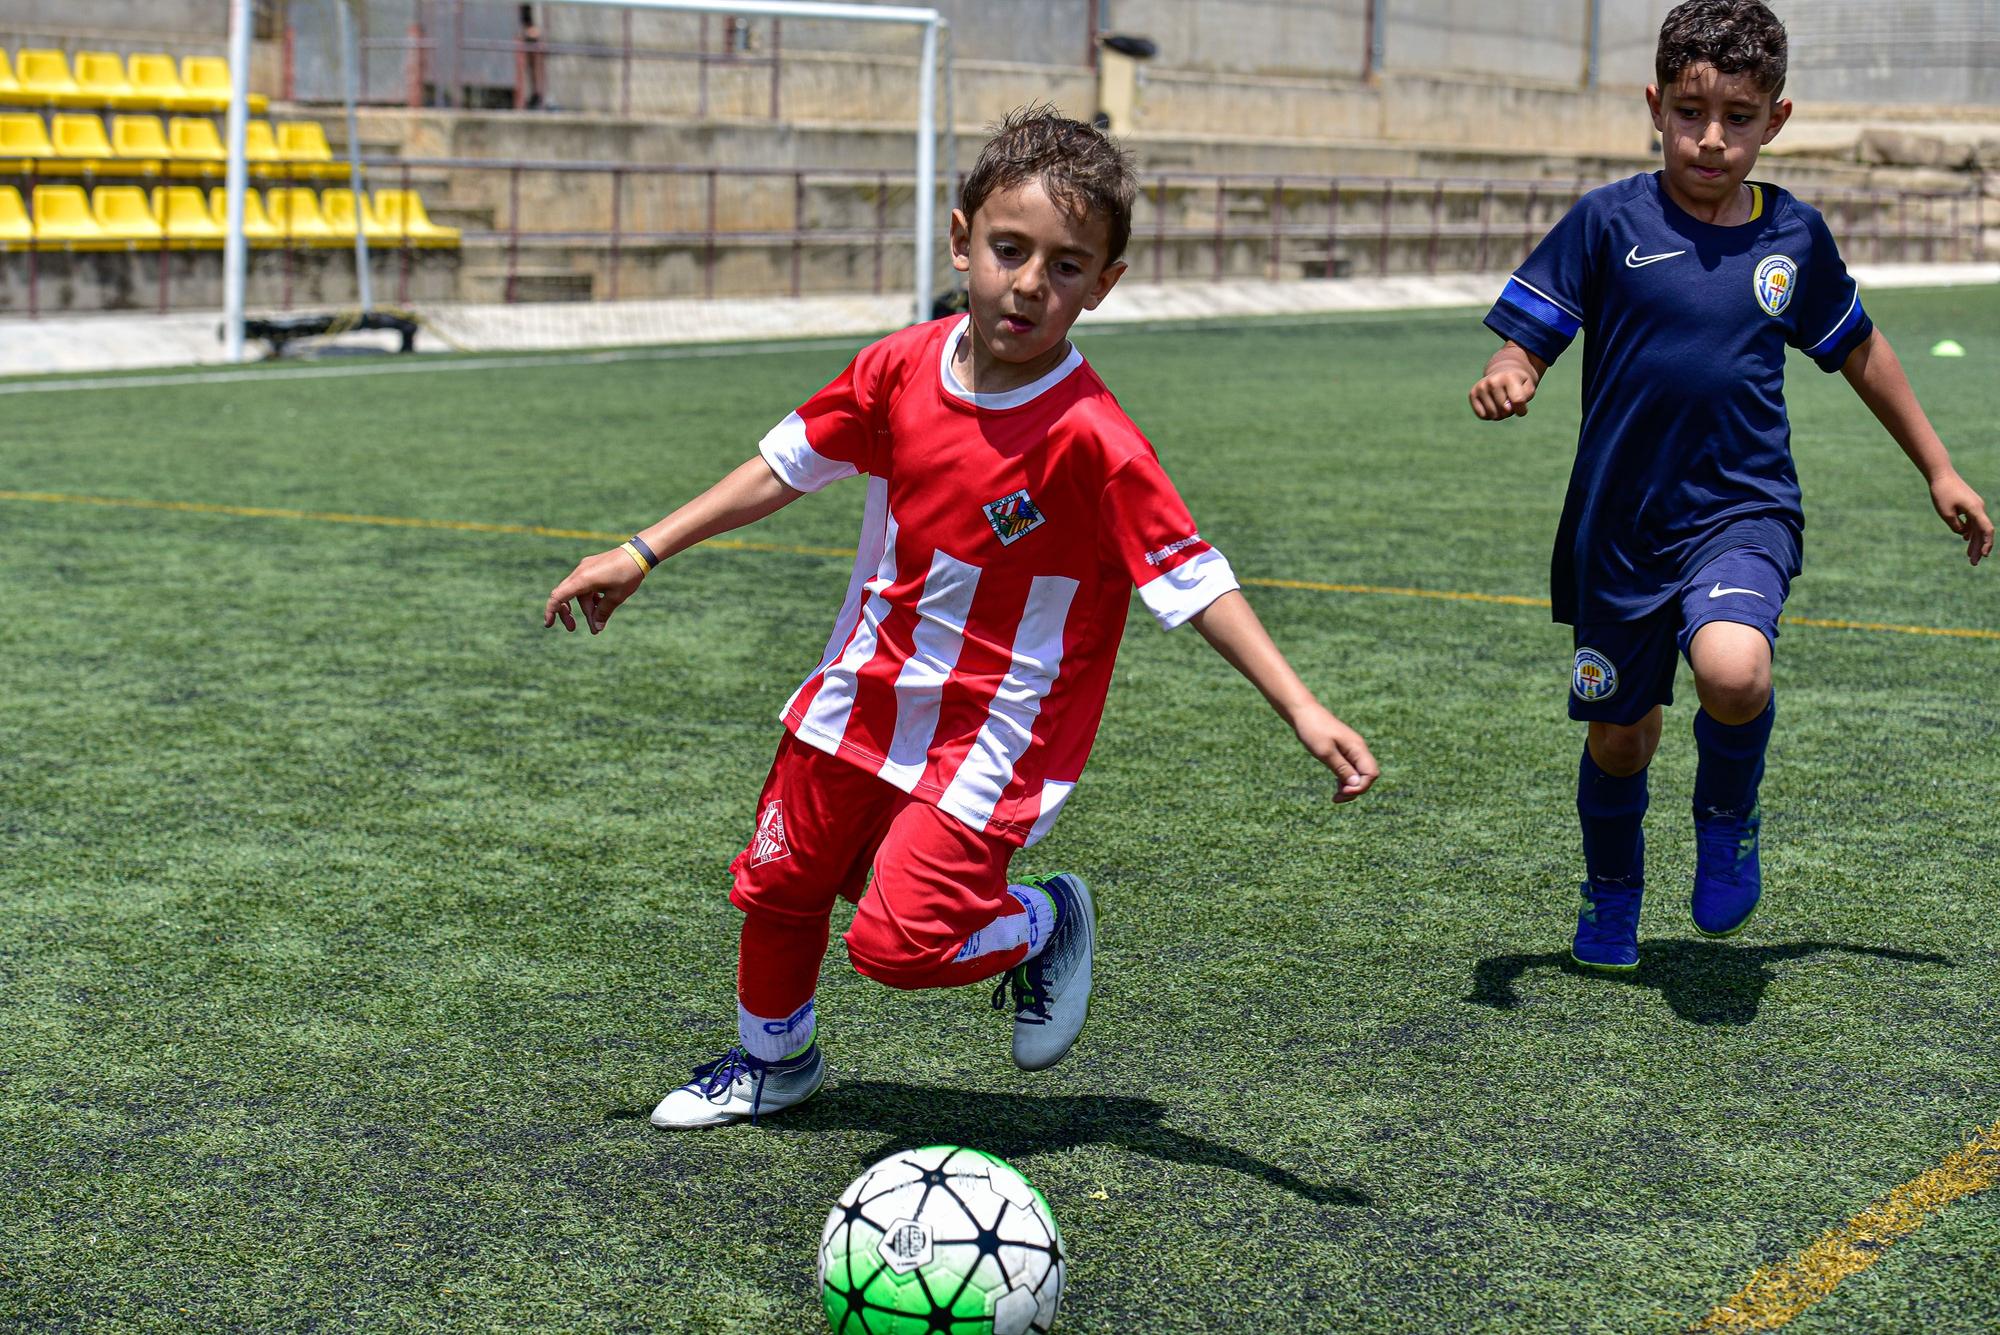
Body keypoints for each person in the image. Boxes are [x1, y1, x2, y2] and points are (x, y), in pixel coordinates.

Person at [544, 108, 1379, 1128]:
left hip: (994, 723)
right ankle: (774, 1061)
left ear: (1104, 284)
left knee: (895, 945)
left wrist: (1299, 707)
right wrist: (642, 550)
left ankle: (1041, 920)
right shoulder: (898, 367)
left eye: (1066, 266)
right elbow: (785, 464)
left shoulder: (1092, 439)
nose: (1030, 283)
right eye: (1008, 249)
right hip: (863, 685)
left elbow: (1190, 576)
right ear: (960, 242)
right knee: (780, 881)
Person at [1467, 0, 1991, 972]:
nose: (1710, 139)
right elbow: (1531, 332)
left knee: (1733, 672)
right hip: (1617, 531)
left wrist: (1936, 465)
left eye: (1737, 117)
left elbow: (1859, 351)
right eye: (1688, 111)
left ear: (1774, 120)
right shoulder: (1605, 220)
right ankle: (1611, 892)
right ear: (1653, 106)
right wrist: (1513, 371)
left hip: (1739, 510)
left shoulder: (1791, 238)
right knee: (1620, 739)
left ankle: (1725, 818)